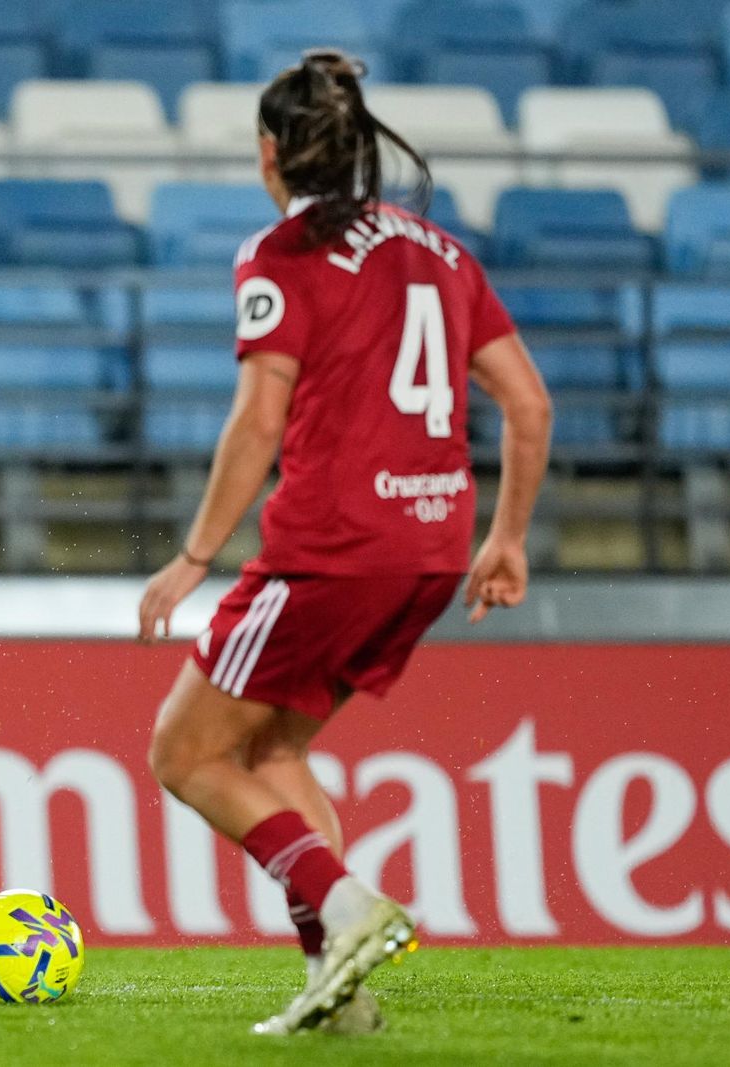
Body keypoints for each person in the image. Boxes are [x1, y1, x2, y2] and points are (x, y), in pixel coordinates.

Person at [138, 52, 551, 1035]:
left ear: (268, 154)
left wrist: (194, 555)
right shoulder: (441, 251)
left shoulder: (280, 254)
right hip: (432, 549)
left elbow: (257, 420)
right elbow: (529, 403)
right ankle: (340, 988)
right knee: (273, 747)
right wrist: (506, 539)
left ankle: (345, 904)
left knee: (184, 752)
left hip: (333, 547)